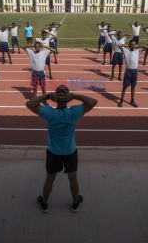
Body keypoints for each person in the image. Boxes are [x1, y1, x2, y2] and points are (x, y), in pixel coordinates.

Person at [25, 85, 98, 213]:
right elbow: (93, 102)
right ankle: (75, 204)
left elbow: (30, 104)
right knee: (73, 179)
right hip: (70, 151)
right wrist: (74, 96)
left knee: (50, 178)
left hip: (54, 152)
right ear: (68, 98)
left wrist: (47, 96)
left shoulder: (50, 112)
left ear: (55, 98)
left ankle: (44, 204)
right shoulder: (74, 112)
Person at [117, 40, 148, 107]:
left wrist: (137, 46)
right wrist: (128, 45)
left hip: (134, 71)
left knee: (133, 87)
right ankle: (121, 100)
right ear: (129, 45)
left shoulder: (137, 51)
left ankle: (132, 101)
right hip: (128, 71)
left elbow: (146, 47)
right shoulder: (126, 51)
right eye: (131, 44)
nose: (133, 46)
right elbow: (119, 45)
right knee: (125, 86)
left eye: (134, 45)